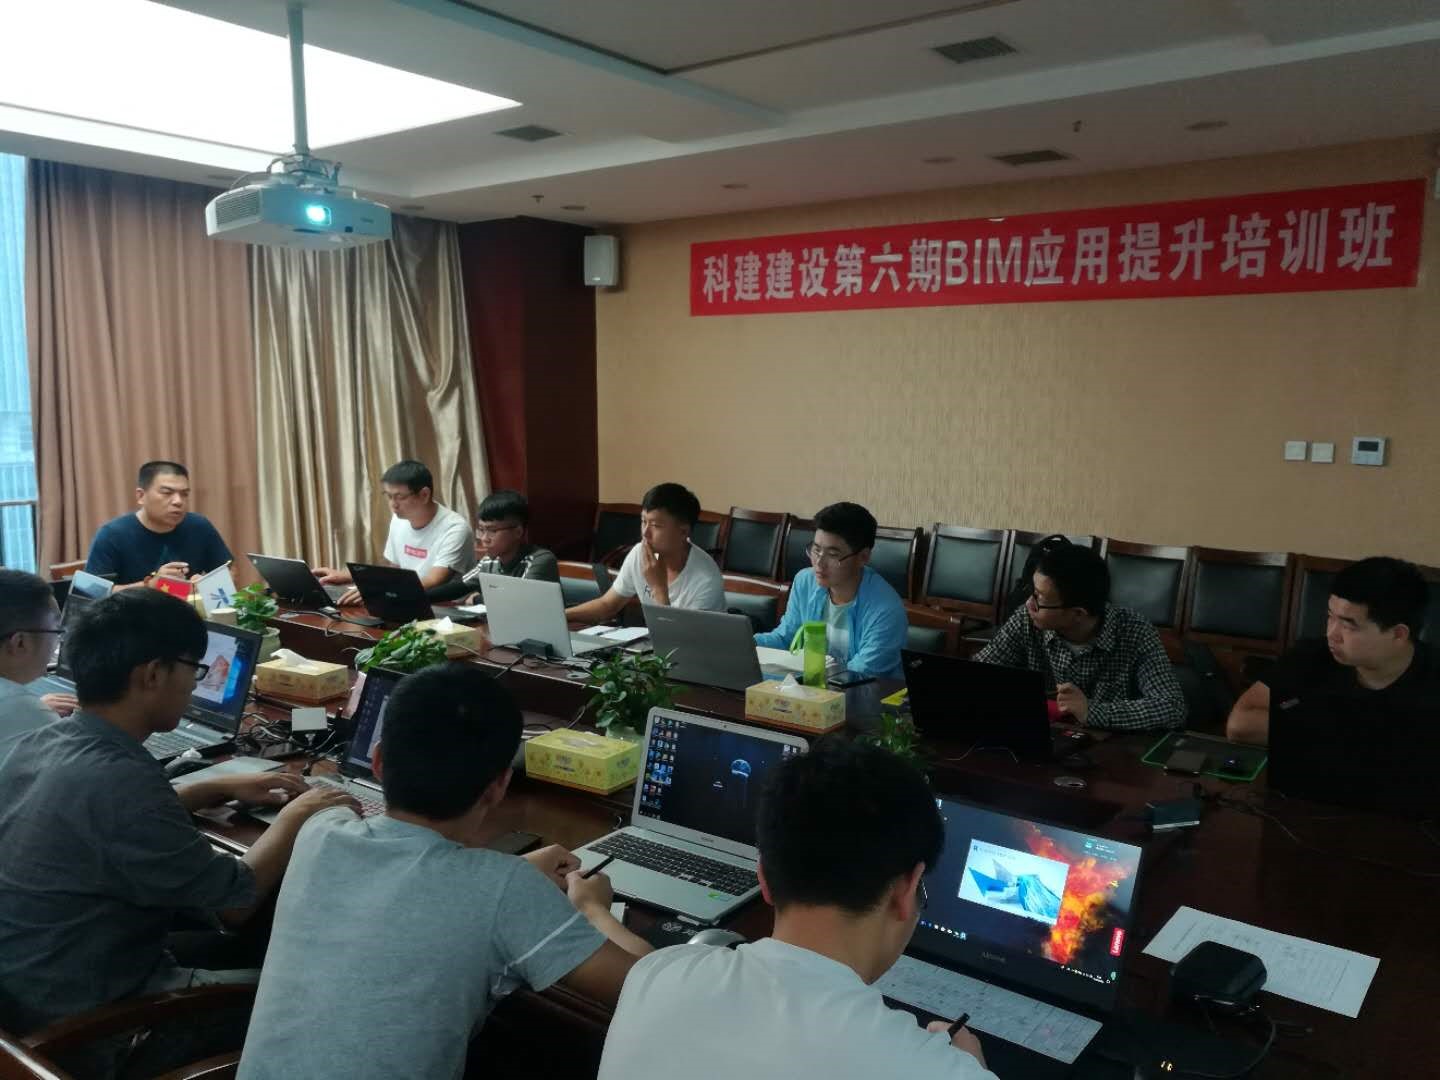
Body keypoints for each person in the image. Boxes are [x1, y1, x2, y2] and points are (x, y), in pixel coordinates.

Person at [0, 589, 354, 1076]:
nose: (194, 684)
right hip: (100, 1032)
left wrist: (211, 787)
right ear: (152, 674)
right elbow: (233, 905)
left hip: (33, 992)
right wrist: (300, 812)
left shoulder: (40, 743)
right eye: (194, 669)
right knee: (320, 992)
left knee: (260, 949)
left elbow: (95, 821)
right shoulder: (123, 781)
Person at [237, 663, 650, 1080]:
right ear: (499, 786)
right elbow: (657, 991)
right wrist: (592, 909)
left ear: (378, 761)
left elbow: (410, 880)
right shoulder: (505, 890)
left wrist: (515, 874)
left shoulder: (320, 830)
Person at [598, 738, 995, 1080]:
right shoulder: (942, 1072)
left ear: (764, 878)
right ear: (906, 890)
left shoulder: (656, 976)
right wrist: (967, 1067)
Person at [1227, 556, 1436, 745]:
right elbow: (1240, 725)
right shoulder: (1312, 656)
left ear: (1398, 634)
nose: (1331, 634)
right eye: (1330, 617)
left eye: (1348, 625)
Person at [976, 544, 1184, 731]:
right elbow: (977, 675)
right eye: (1032, 591)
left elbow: (1172, 707)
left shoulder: (1135, 631)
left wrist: (1092, 712)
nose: (1029, 603)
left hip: (1111, 750)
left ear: (1078, 613)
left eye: (1039, 598)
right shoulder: (1026, 619)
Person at [754, 502, 908, 679]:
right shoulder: (805, 582)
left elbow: (861, 674)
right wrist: (746, 642)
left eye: (832, 554)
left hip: (863, 692)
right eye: (816, 550)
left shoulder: (886, 610)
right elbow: (786, 637)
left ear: (863, 557)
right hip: (810, 689)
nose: (819, 563)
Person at [314, 459, 477, 604]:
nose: (393, 504)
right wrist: (349, 576)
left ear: (424, 495)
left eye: (400, 497)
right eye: (389, 496)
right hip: (403, 600)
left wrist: (377, 590)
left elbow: (434, 581)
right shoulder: (399, 520)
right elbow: (394, 570)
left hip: (446, 607)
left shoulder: (455, 528)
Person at [566, 483, 724, 623]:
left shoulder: (706, 580)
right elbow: (608, 605)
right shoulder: (639, 554)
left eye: (656, 525)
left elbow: (680, 641)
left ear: (683, 532)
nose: (645, 533)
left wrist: (658, 588)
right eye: (643, 521)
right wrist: (563, 615)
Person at [84, 460, 232, 587]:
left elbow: (230, 571)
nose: (178, 501)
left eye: (184, 494)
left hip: (187, 609)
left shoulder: (199, 526)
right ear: (141, 496)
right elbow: (92, 594)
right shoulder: (112, 535)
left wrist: (207, 584)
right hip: (131, 611)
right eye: (167, 493)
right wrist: (150, 586)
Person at [432, 488, 559, 604]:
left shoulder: (540, 560)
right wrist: (423, 597)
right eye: (481, 530)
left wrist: (477, 599)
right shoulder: (489, 561)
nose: (484, 538)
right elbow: (460, 586)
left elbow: (519, 600)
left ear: (518, 532)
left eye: (492, 531)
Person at [0, 570, 70, 760]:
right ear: (20, 643)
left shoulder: (20, 710)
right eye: (56, 631)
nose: (59, 642)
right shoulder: (26, 714)